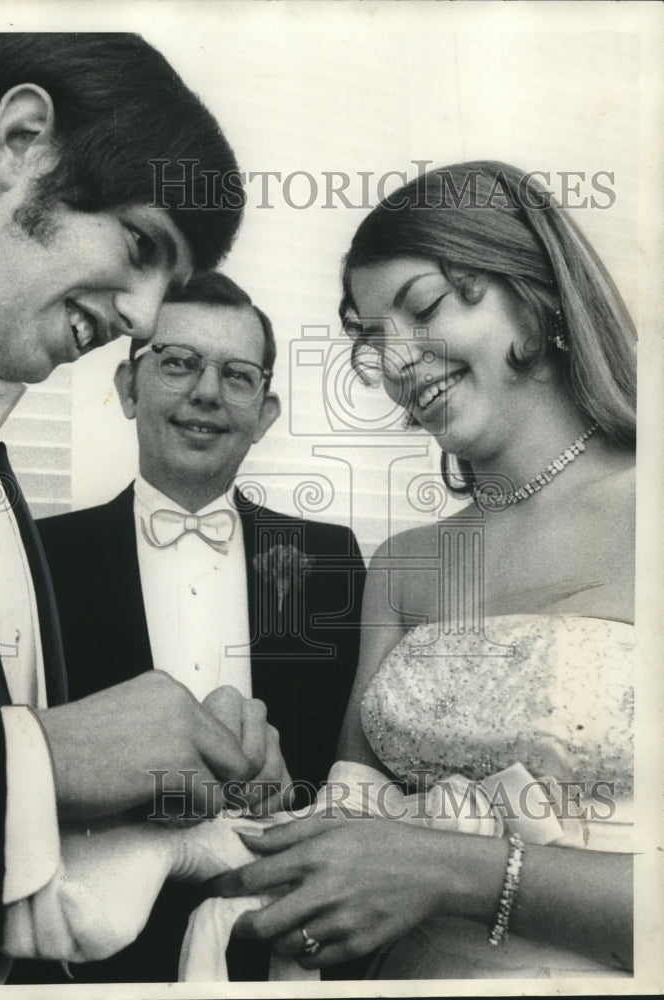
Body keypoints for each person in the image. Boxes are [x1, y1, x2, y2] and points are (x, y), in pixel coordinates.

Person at [0, 33, 288, 987]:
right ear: (23, 139)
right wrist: (49, 754)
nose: (143, 321)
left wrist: (149, 825)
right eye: (141, 246)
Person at [212, 161, 637, 979]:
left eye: (426, 306)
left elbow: (407, 862)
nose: (397, 360)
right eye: (373, 339)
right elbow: (351, 838)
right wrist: (243, 804)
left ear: (537, 292)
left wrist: (456, 872)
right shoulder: (405, 565)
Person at [35, 271, 366, 981]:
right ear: (128, 388)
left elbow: (350, 772)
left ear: (266, 411)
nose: (207, 393)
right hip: (88, 956)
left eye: (237, 375)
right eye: (178, 362)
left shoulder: (329, 559)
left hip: (274, 938)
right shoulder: (41, 557)